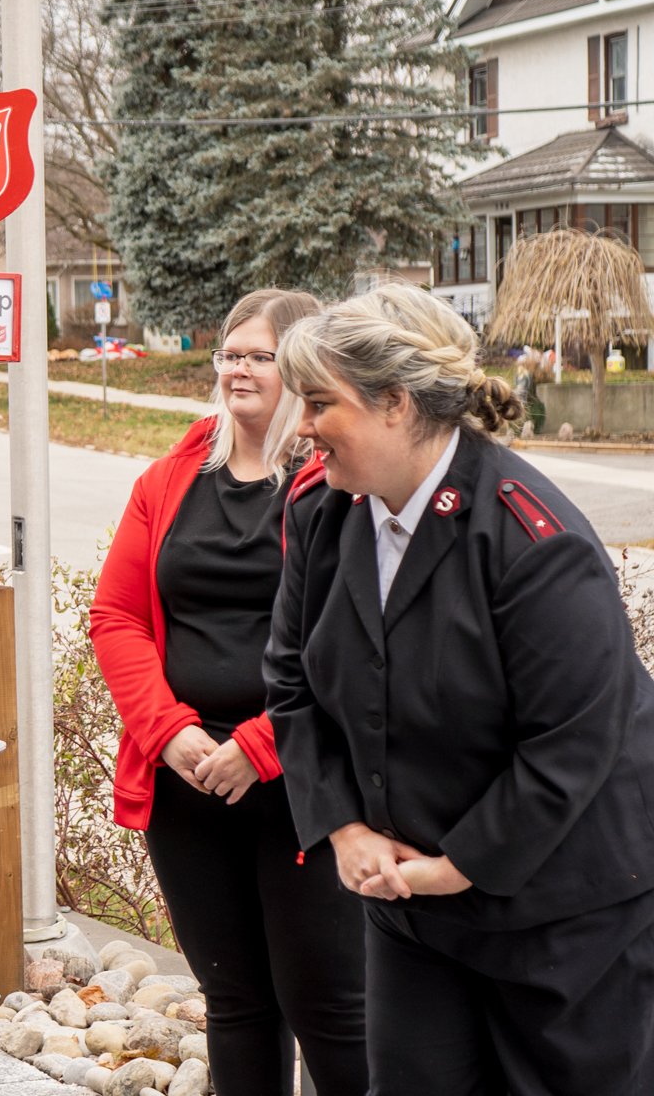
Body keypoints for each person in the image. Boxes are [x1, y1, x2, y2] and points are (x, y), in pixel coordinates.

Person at [267, 283, 654, 1095]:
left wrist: (457, 865)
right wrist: (343, 828)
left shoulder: (531, 539)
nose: (300, 426)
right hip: (413, 908)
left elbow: (574, 741)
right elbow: (293, 680)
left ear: (396, 403)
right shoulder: (326, 516)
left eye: (316, 402)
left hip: (563, 913)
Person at [91, 289, 367, 1096]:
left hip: (300, 781)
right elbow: (115, 615)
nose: (238, 368)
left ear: (303, 370)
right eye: (230, 353)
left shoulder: (332, 486)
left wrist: (258, 745)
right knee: (235, 1000)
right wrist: (167, 731)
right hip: (185, 779)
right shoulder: (170, 478)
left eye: (260, 355)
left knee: (328, 1004)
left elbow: (348, 644)